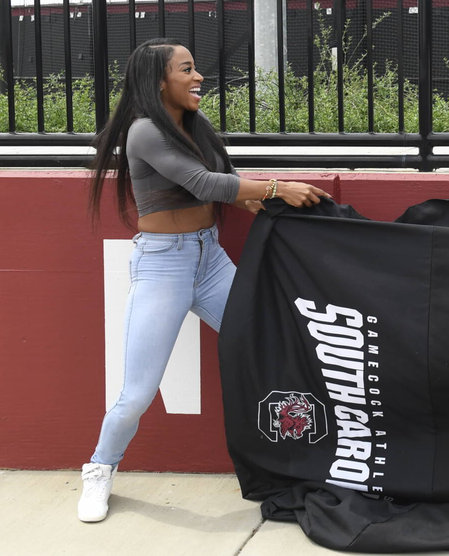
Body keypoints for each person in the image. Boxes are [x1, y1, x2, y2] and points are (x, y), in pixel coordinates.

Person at [78, 38, 329, 523]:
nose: (198, 79)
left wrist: (253, 199)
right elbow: (202, 184)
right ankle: (99, 469)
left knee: (278, 346)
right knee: (138, 393)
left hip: (209, 259)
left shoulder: (195, 125)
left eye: (196, 69)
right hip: (163, 267)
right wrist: (278, 187)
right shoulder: (144, 131)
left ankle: (300, 457)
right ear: (158, 81)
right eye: (187, 70)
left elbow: (222, 178)